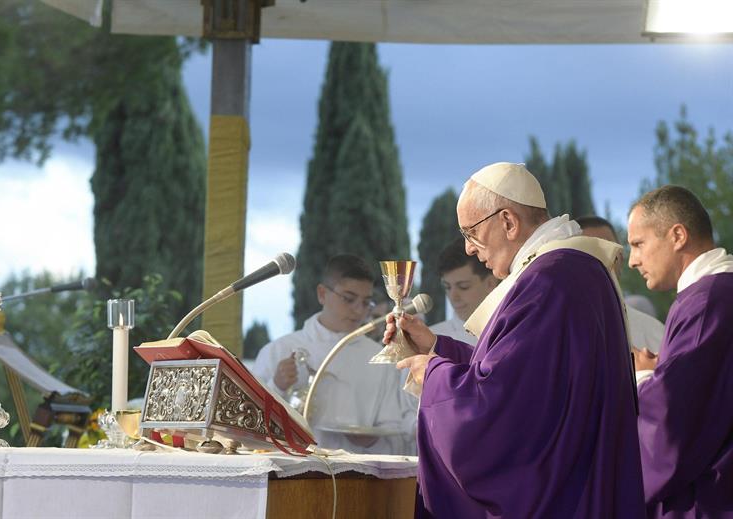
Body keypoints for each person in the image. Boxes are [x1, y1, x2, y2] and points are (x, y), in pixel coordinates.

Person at [389, 162, 644, 517]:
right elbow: (529, 378)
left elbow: (501, 412)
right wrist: (436, 348)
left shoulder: (548, 280)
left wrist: (433, 376)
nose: (468, 249)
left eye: (470, 232)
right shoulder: (572, 269)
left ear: (508, 222)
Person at [627, 185, 733, 518]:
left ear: (677, 236)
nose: (632, 260)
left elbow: (674, 420)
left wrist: (645, 376)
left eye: (638, 244)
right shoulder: (710, 296)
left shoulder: (708, 301)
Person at [252, 254, 413, 454]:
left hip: (357, 474)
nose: (357, 310)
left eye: (366, 303)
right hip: (292, 472)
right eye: (348, 299)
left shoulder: (378, 358)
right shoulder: (278, 350)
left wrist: (371, 439)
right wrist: (277, 385)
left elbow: (393, 426)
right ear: (322, 294)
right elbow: (251, 424)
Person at [576, 215, 666, 355]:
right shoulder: (556, 330)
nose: (599, 260)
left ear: (622, 257)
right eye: (587, 251)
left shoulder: (654, 333)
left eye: (608, 249)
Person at [429, 236, 498, 344]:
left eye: (463, 286)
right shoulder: (432, 341)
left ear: (490, 283)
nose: (453, 297)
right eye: (447, 287)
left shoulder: (514, 329)